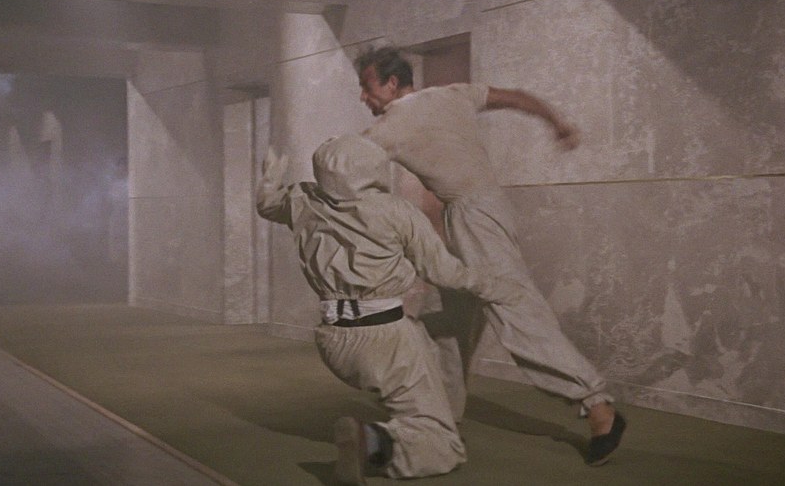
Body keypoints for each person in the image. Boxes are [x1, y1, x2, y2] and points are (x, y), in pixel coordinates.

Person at [355, 46, 626, 466]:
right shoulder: (452, 94)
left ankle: (597, 407)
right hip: (481, 212)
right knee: (450, 324)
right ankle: (440, 417)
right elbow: (516, 97)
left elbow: (341, 165)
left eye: (366, 86)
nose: (363, 97)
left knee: (517, 314)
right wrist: (556, 122)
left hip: (475, 219)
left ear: (391, 83)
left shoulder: (392, 124)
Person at [256, 134, 521, 484]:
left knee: (423, 344)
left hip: (333, 341)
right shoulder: (396, 211)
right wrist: (495, 284)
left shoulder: (304, 200)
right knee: (442, 444)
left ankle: (421, 412)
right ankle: (373, 442)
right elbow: (443, 272)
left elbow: (269, 206)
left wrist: (269, 182)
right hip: (384, 338)